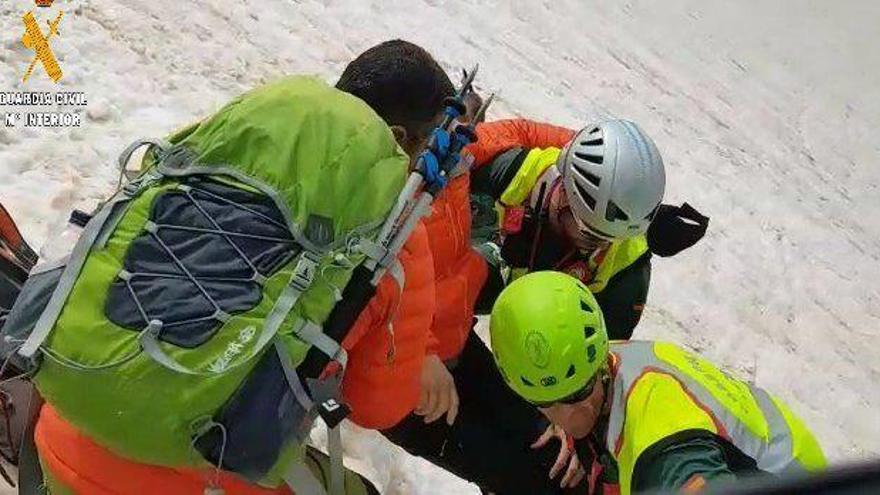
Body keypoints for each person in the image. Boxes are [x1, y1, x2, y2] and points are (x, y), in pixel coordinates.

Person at [23, 77, 437, 494]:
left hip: (63, 435)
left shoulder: (221, 140)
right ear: (400, 138)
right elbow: (378, 406)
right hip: (209, 471)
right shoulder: (392, 236)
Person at [337, 41, 586, 494]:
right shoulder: (357, 204)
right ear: (399, 138)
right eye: (445, 129)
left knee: (558, 462)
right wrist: (419, 354)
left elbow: (524, 134)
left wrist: (595, 157)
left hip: (454, 349)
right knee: (536, 480)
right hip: (407, 385)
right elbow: (347, 312)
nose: (458, 138)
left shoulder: (445, 162)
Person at [489, 271, 827, 494]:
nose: (573, 415)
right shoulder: (610, 357)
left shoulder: (663, 443)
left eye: (581, 390)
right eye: (547, 402)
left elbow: (683, 466)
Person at [468, 119, 709, 339]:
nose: (600, 245)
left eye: (611, 239)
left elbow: (605, 350)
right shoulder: (516, 173)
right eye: (589, 231)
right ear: (564, 190)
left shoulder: (628, 265)